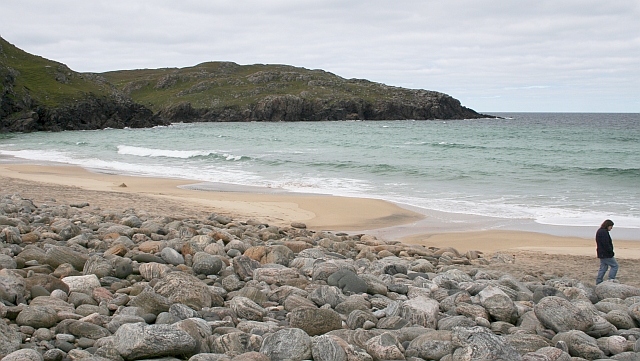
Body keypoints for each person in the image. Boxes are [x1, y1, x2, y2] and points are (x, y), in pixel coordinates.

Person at [595, 219, 618, 284]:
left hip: (601, 253)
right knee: (615, 266)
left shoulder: (600, 231)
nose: (611, 228)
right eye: (611, 226)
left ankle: (599, 281)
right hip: (606, 253)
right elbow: (606, 244)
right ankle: (611, 280)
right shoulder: (603, 232)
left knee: (603, 267)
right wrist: (611, 252)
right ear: (608, 225)